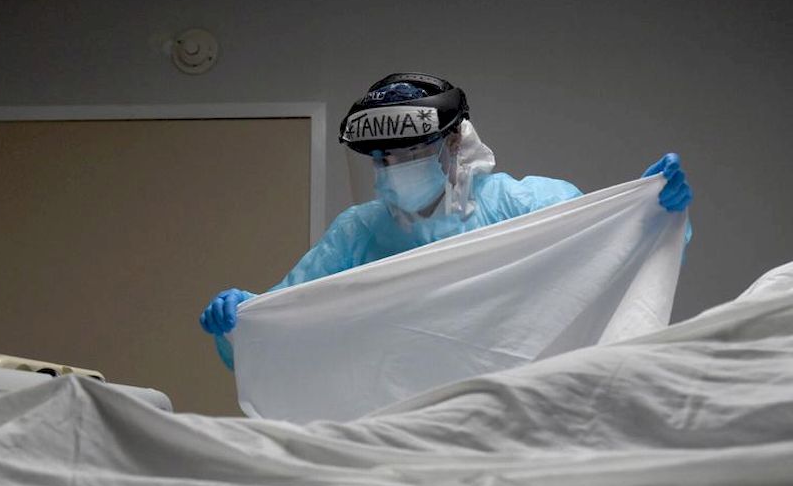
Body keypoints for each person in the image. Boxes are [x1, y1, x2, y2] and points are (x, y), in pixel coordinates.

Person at [200, 72, 692, 368]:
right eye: (379, 158)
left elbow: (615, 259)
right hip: (400, 415)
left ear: (454, 145)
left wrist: (651, 212)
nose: (392, 169)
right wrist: (241, 322)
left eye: (410, 152)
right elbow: (288, 322)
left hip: (517, 402)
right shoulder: (358, 232)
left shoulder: (525, 204)